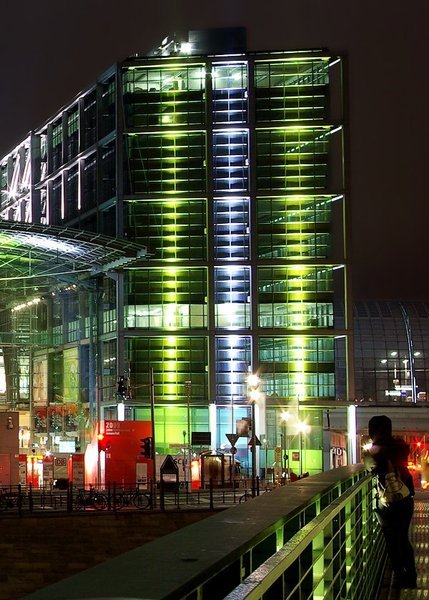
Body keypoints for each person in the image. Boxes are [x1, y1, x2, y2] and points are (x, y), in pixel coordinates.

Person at [364, 415, 417, 589]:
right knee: (403, 538)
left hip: (388, 502)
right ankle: (411, 576)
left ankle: (401, 578)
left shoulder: (375, 451)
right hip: (405, 498)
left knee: (391, 541)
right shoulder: (399, 447)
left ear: (373, 431)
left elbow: (370, 469)